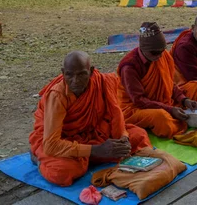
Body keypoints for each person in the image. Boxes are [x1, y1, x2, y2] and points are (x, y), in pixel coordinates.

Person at [29, 51, 151, 187]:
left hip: (93, 133)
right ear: (63, 73)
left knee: (138, 136)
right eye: (69, 75)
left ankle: (90, 158)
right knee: (62, 172)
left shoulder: (103, 82)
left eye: (81, 74)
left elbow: (115, 114)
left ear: (91, 71)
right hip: (64, 140)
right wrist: (96, 150)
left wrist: (123, 138)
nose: (75, 81)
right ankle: (39, 160)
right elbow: (52, 144)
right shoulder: (57, 95)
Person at [117, 22, 197, 139]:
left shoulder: (163, 55)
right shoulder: (130, 67)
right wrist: (170, 109)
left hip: (163, 101)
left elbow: (168, 82)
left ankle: (179, 115)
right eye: (155, 53)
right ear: (143, 49)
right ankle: (178, 120)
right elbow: (139, 100)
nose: (159, 56)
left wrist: (184, 100)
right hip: (135, 108)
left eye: (162, 51)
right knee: (162, 118)